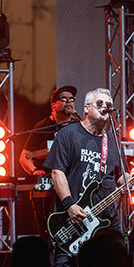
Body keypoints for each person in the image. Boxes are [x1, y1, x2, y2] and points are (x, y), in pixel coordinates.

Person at [43, 87, 134, 267]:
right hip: (75, 216)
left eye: (108, 105)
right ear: (86, 108)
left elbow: (119, 178)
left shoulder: (112, 140)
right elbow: (57, 173)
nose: (105, 107)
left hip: (106, 216)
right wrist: (69, 205)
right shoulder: (68, 134)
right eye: (99, 103)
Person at [19, 85, 80, 236]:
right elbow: (24, 157)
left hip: (74, 186)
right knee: (47, 231)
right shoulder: (43, 127)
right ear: (53, 105)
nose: (69, 101)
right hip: (48, 186)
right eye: (63, 99)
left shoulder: (80, 126)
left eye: (71, 99)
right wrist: (35, 171)